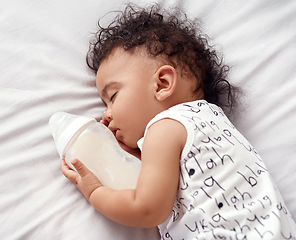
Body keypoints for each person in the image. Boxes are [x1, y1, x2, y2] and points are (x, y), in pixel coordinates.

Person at [61, 4, 296, 239]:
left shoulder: (163, 129)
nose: (106, 115)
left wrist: (94, 191)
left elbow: (146, 209)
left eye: (112, 97)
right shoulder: (212, 120)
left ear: (162, 84)